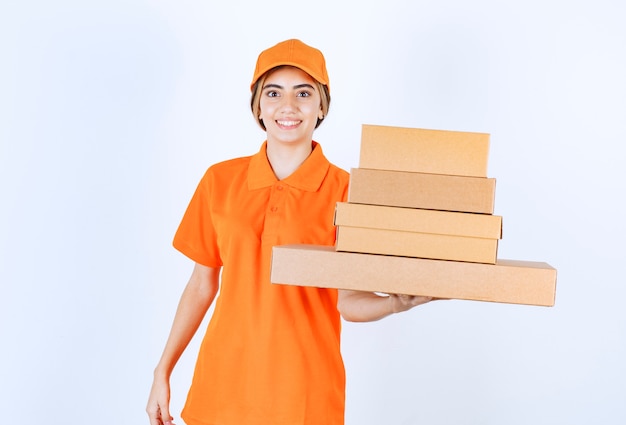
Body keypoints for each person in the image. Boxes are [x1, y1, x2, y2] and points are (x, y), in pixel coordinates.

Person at [146, 38, 433, 425]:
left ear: (321, 107)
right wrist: (162, 370)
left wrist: (396, 302)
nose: (288, 107)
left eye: (304, 93)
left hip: (304, 397)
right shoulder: (220, 181)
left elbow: (348, 300)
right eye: (274, 93)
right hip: (222, 390)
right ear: (258, 107)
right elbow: (201, 285)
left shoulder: (348, 193)